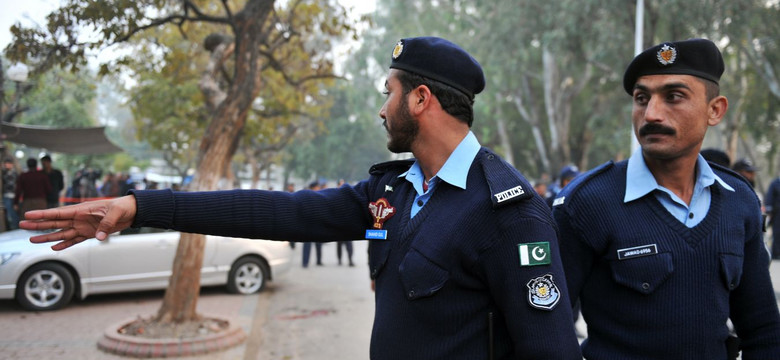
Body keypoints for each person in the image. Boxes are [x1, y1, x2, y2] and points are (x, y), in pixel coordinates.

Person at [21, 36, 582, 359]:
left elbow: (550, 353)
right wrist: (142, 207)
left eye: (387, 93)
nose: (380, 108)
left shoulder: (508, 211)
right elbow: (277, 211)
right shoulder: (394, 189)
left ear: (421, 99)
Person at [552, 38, 780, 359]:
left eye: (674, 97)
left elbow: (763, 329)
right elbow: (547, 330)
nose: (652, 114)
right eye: (642, 98)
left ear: (715, 110)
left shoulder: (737, 199)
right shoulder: (587, 203)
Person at [301, 180, 324, 267]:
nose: (319, 188)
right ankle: (305, 262)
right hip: (308, 224)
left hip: (318, 223)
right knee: (307, 244)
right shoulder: (307, 196)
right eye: (317, 187)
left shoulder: (320, 196)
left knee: (319, 244)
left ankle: (319, 260)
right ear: (313, 188)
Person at [334, 179, 355, 266]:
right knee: (339, 245)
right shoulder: (335, 196)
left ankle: (350, 260)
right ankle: (339, 259)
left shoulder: (349, 196)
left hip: (348, 225)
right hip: (339, 225)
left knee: (349, 245)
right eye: (341, 184)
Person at [2, 159, 20, 229]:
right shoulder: (4, 173)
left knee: (13, 213)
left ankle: (16, 227)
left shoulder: (15, 173)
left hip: (14, 195)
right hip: (6, 195)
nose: (7, 165)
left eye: (8, 163)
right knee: (9, 213)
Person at [767, 171, 780, 260]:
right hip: (777, 213)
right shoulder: (775, 183)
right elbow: (769, 197)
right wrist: (769, 211)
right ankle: (776, 253)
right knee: (777, 232)